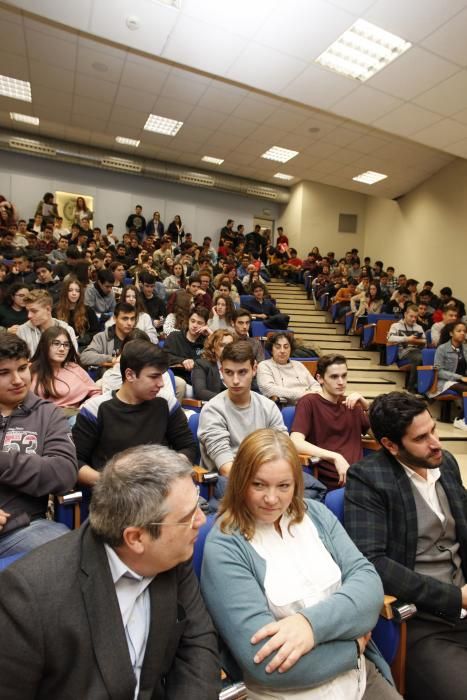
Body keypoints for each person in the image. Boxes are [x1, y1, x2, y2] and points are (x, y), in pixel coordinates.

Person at [0, 443, 220, 699]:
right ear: (136, 538)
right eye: (188, 517)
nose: (202, 521)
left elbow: (197, 645)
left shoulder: (174, 554)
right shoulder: (28, 598)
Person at [201, 429, 399, 700]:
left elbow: (369, 586)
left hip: (359, 679)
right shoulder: (225, 544)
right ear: (240, 482)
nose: (272, 499)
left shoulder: (315, 513)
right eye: (258, 485)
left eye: (284, 486)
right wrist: (352, 646)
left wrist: (309, 625)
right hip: (289, 692)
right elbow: (266, 663)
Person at [345, 391, 467, 700]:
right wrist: (456, 597)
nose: (436, 442)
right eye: (422, 438)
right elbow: (374, 562)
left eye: (434, 430)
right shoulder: (369, 478)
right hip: (423, 621)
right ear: (390, 445)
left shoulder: (446, 463)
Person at [73, 340, 196, 486]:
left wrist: (167, 470)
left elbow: (188, 447)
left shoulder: (166, 403)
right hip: (114, 495)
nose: (161, 383)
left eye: (161, 376)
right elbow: (76, 464)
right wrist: (113, 483)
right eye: (153, 377)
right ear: (130, 375)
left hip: (160, 491)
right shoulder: (95, 410)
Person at [0, 334, 77, 556]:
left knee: (70, 552)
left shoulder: (48, 414)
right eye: (4, 373)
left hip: (24, 529)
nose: (18, 380)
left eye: (22, 368)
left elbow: (63, 474)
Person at [198, 341, 287, 483]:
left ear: (254, 369)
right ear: (222, 372)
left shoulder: (268, 407)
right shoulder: (213, 410)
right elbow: (226, 468)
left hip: (268, 476)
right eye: (229, 373)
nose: (235, 381)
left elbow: (284, 451)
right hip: (228, 484)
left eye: (242, 372)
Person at [290, 354, 370, 490]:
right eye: (334, 377)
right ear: (320, 379)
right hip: (333, 482)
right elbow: (295, 442)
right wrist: (335, 457)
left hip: (362, 479)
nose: (341, 382)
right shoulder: (309, 402)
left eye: (344, 376)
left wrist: (367, 407)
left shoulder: (353, 405)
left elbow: (381, 437)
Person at [30, 326, 100, 409]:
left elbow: (97, 392)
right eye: (56, 344)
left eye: (66, 345)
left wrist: (83, 407)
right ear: (44, 345)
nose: (62, 349)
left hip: (73, 416)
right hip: (40, 416)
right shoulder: (30, 369)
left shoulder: (74, 368)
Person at [256, 332, 321, 405]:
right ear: (271, 350)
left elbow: (315, 385)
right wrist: (304, 394)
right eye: (278, 347)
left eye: (286, 347)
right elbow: (269, 389)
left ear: (291, 349)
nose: (282, 351)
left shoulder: (298, 365)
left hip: (310, 403)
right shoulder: (264, 366)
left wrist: (315, 394)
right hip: (286, 407)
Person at [17, 289, 78, 356]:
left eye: (34, 311)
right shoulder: (22, 331)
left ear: (48, 309)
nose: (29, 316)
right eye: (28, 311)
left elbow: (72, 359)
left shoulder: (67, 330)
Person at [430, 321, 467, 430]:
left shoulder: (465, 348)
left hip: (462, 380)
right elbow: (439, 371)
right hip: (446, 381)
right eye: (459, 331)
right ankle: (460, 419)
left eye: (464, 331)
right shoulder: (442, 349)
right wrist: (459, 377)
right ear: (451, 333)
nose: (462, 333)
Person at [80, 302, 136, 368]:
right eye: (125, 319)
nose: (129, 323)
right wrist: (111, 359)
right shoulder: (102, 337)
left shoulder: (138, 337)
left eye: (132, 319)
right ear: (115, 319)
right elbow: (84, 357)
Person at [54, 275, 99, 351]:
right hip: (61, 347)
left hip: (83, 347)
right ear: (65, 292)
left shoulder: (88, 310)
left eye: (77, 291)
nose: (74, 293)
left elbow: (95, 332)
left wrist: (81, 340)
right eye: (70, 290)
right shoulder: (55, 310)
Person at [387, 304, 426, 392]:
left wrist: (415, 341)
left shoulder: (419, 327)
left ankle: (423, 388)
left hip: (417, 351)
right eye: (411, 316)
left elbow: (425, 341)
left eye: (415, 317)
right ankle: (411, 387)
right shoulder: (395, 326)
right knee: (419, 357)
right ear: (405, 314)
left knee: (425, 357)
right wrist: (407, 339)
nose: (413, 319)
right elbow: (390, 338)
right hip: (403, 352)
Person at [192, 329, 236, 401]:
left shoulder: (239, 365)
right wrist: (227, 399)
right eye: (222, 345)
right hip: (214, 406)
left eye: (230, 345)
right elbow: (200, 392)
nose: (227, 349)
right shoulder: (201, 364)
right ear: (213, 348)